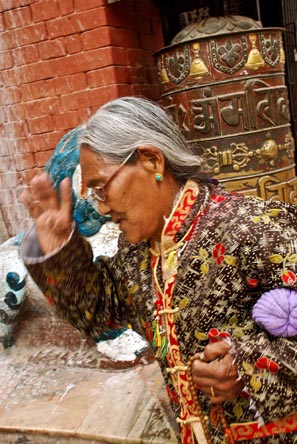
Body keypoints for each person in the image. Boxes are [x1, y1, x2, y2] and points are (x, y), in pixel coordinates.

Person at [19, 96, 297, 444]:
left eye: (102, 187)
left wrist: (248, 368)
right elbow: (99, 314)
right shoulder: (137, 252)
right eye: (94, 195)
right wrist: (59, 249)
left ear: (152, 161)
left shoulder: (252, 226)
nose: (102, 207)